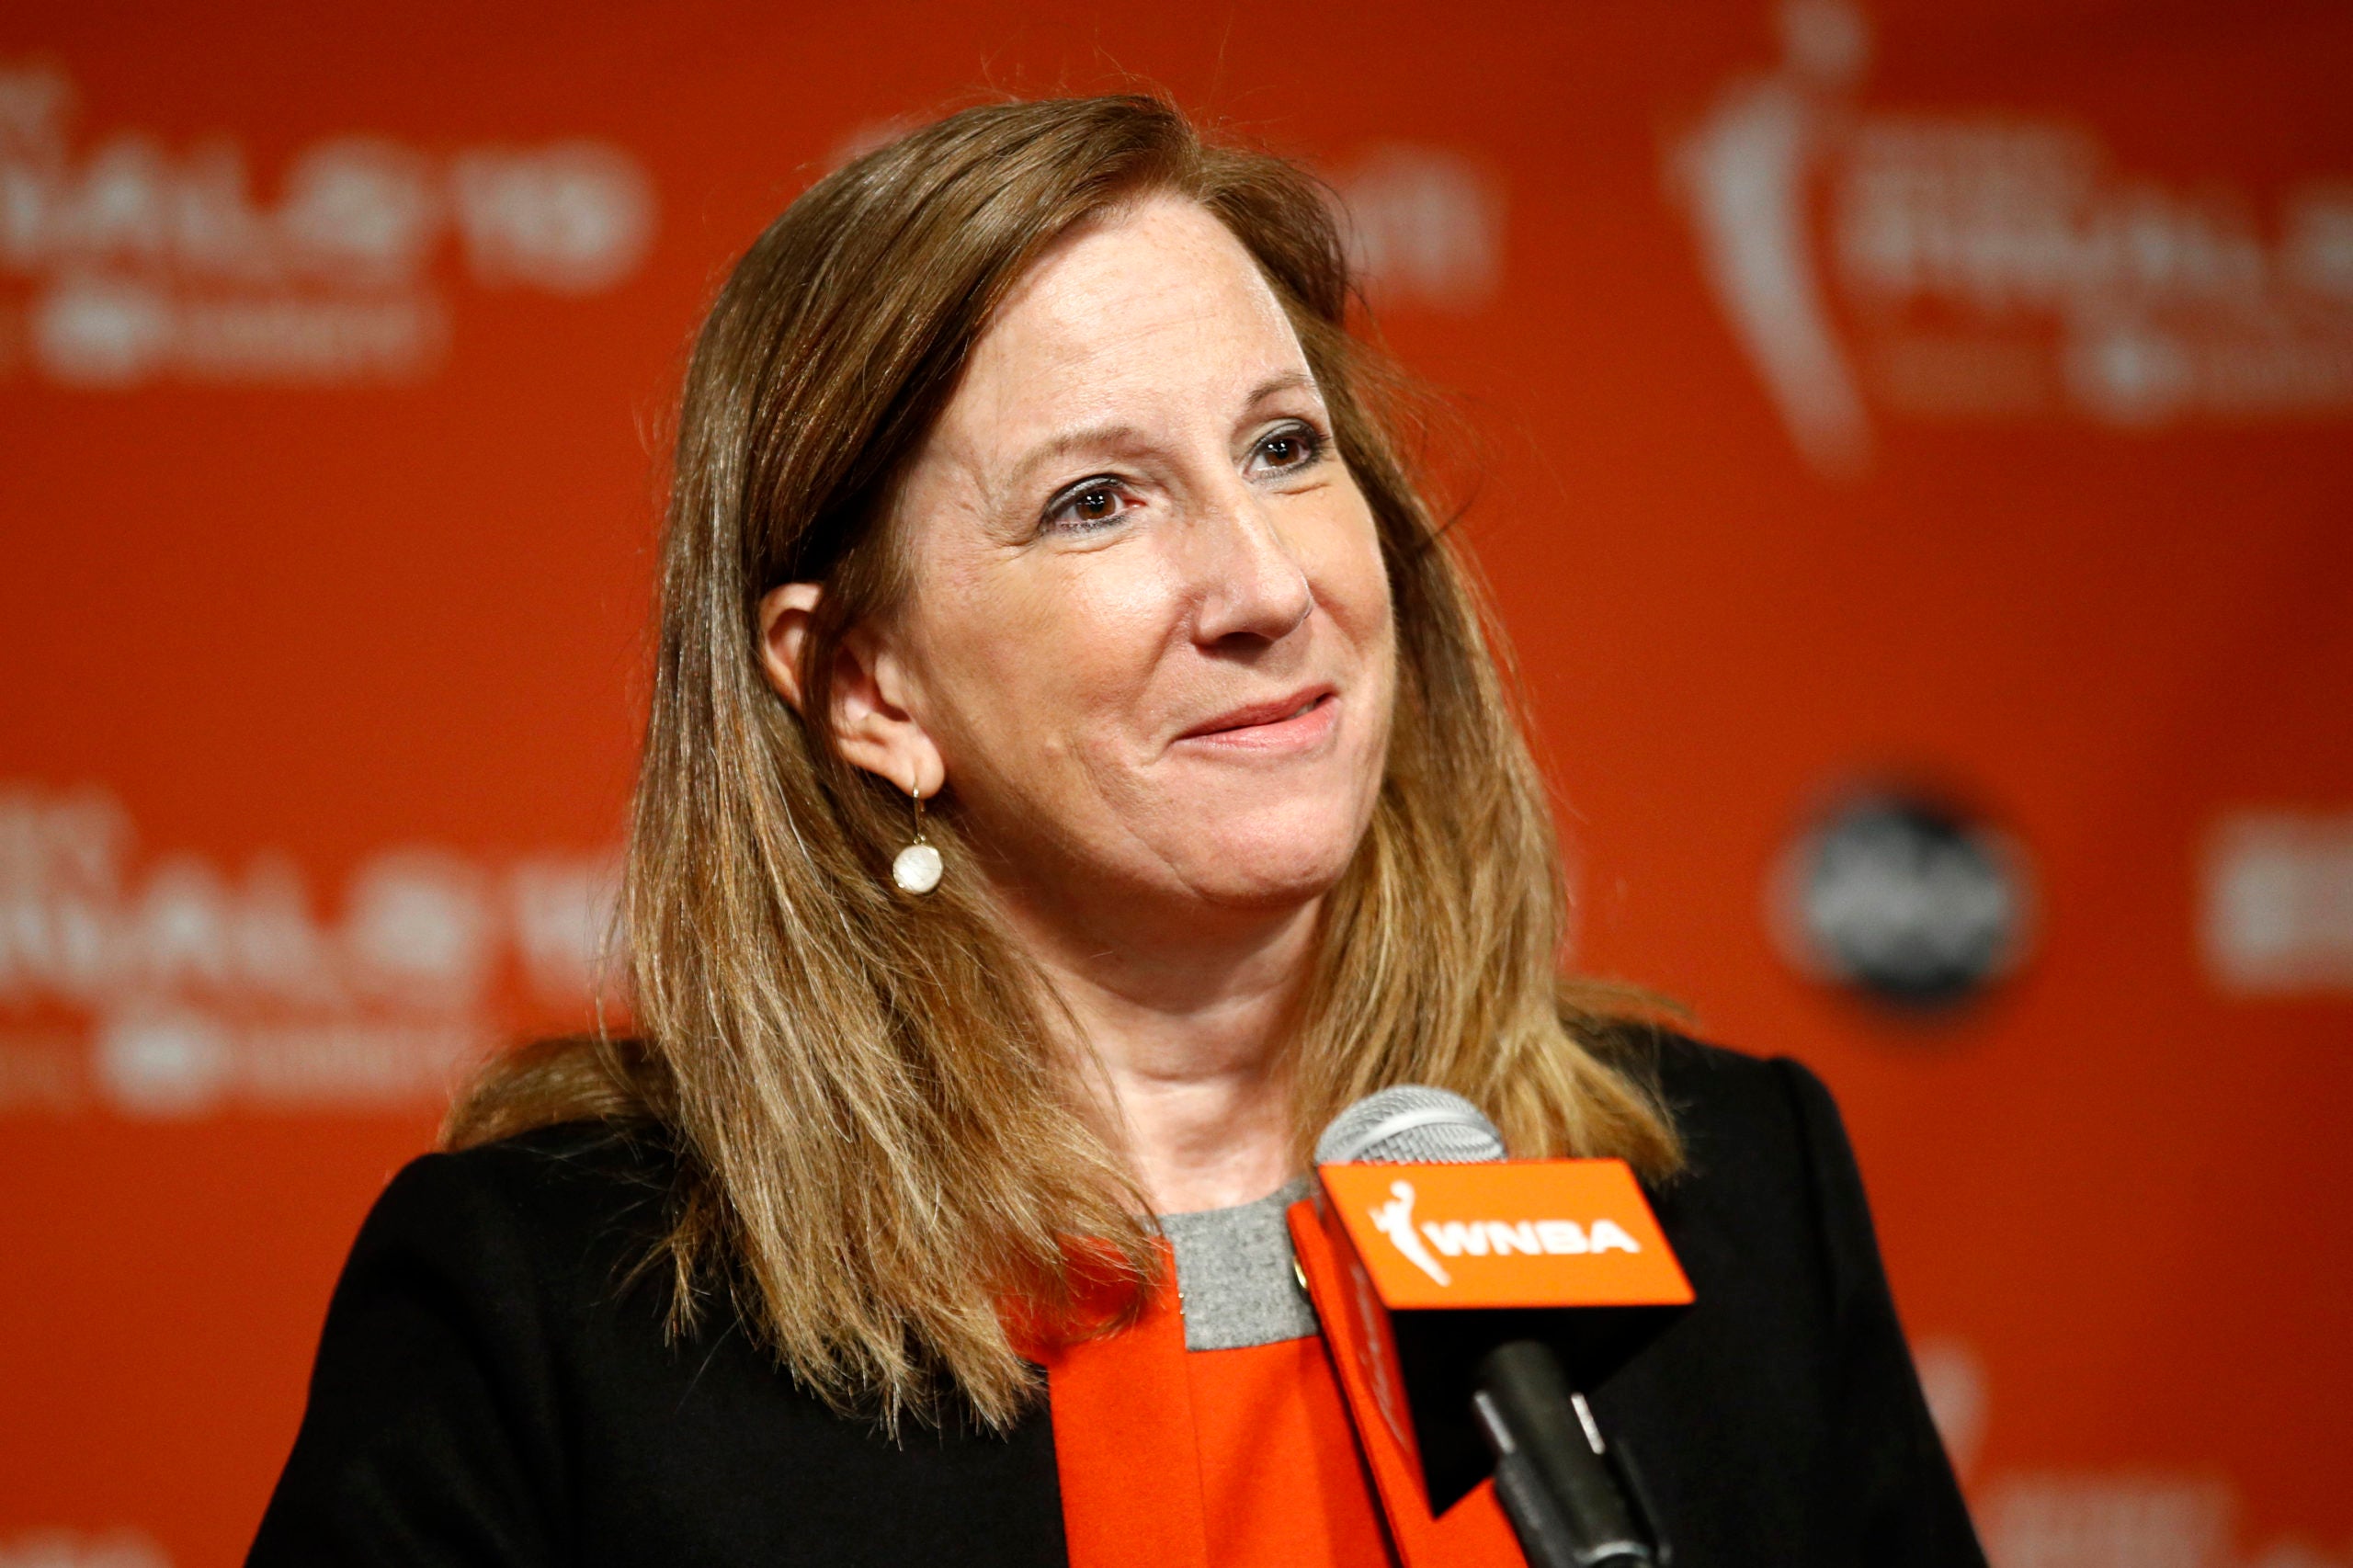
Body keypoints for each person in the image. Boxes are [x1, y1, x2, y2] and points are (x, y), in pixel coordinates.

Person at [248, 95, 1984, 1568]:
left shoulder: (1736, 1197)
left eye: (1286, 449)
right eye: (1099, 500)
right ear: (867, 686)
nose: (1265, 581)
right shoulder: (557, 1311)